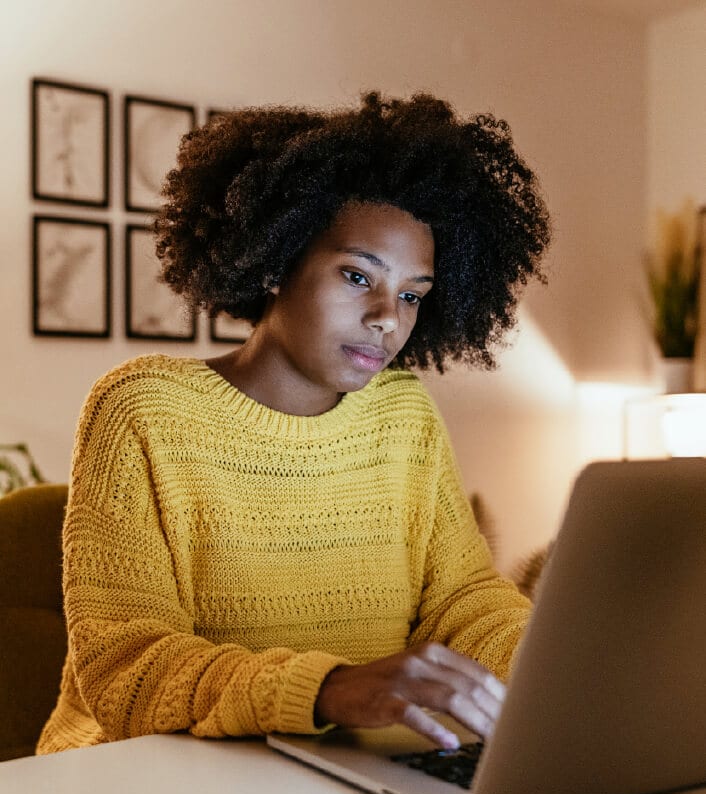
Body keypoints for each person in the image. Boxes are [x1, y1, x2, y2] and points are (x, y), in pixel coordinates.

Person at [37, 92, 550, 756]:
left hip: (346, 762)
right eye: (358, 277)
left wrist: (551, 663)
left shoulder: (403, 413)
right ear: (277, 262)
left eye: (413, 295)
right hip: (146, 778)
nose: (388, 318)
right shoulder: (143, 410)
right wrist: (326, 687)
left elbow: (465, 600)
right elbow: (128, 667)